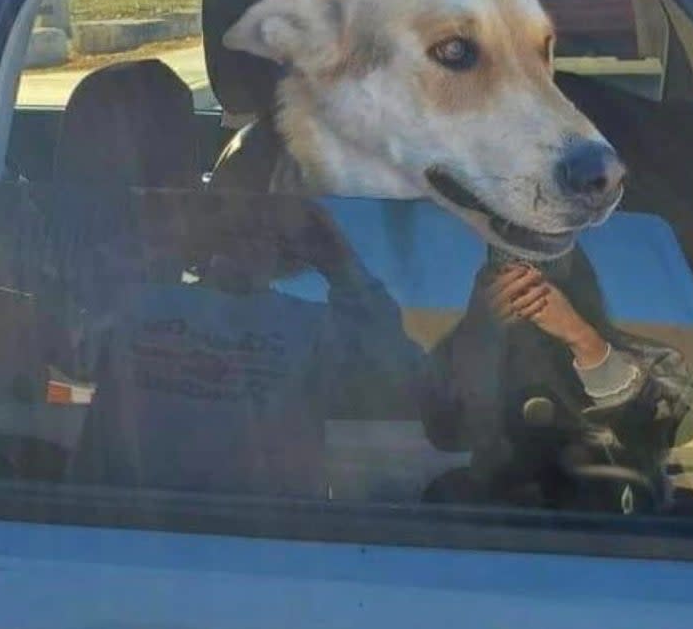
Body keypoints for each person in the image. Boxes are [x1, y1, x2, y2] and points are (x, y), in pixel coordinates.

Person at [66, 191, 433, 498]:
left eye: (269, 221)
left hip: (264, 548)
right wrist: (164, 235)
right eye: (232, 211)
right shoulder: (134, 303)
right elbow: (65, 341)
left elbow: (399, 371)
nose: (250, 228)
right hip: (114, 536)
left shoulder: (313, 326)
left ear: (295, 243)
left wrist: (341, 263)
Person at [421, 245, 693, 511]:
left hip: (620, 521)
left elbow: (674, 429)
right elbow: (447, 433)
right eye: (507, 288)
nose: (526, 301)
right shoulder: (461, 356)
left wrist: (584, 340)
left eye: (538, 288)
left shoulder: (655, 361)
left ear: (575, 290)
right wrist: (480, 336)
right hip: (497, 522)